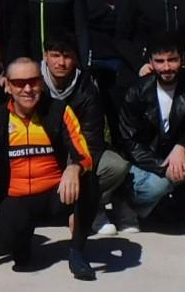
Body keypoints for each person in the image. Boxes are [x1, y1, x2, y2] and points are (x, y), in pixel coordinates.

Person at [0, 56, 95, 278]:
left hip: (54, 196)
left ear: (42, 82)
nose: (27, 89)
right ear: (7, 86)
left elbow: (85, 156)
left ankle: (77, 251)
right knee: (20, 260)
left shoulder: (59, 111)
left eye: (33, 81)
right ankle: (22, 243)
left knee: (89, 180)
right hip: (16, 200)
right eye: (19, 83)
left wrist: (74, 168)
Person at [117, 36, 185, 241]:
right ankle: (127, 206)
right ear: (151, 62)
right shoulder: (136, 92)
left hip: (180, 154)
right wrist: (162, 167)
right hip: (147, 161)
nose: (166, 67)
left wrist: (182, 147)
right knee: (160, 184)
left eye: (172, 60)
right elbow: (129, 142)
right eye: (160, 61)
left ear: (182, 60)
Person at [37, 36, 123, 231]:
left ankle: (88, 208)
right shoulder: (34, 84)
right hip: (41, 155)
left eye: (67, 56)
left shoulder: (87, 89)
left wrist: (75, 166)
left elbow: (92, 139)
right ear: (45, 56)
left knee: (117, 166)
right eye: (55, 55)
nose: (61, 62)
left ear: (75, 58)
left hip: (75, 154)